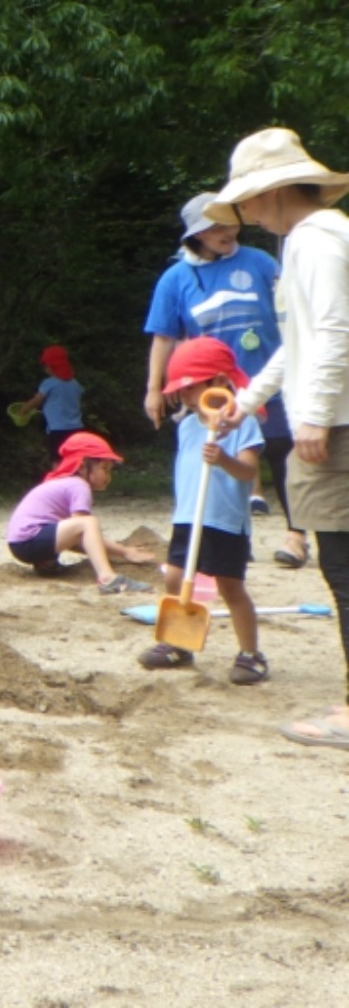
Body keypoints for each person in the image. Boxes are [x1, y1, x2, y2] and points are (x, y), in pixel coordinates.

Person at [201, 132, 349, 740]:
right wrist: (248, 401)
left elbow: (337, 331)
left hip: (337, 425)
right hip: (331, 414)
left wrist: (312, 415)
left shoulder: (314, 243)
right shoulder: (317, 239)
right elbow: (301, 343)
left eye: (250, 199)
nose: (246, 213)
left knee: (342, 568)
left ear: (277, 189)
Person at [145, 193, 304, 568]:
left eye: (229, 221)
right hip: (210, 388)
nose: (225, 231)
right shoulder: (176, 278)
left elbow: (289, 312)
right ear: (196, 233)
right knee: (218, 460)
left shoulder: (260, 262)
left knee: (283, 452)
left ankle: (296, 536)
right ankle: (232, 536)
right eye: (214, 225)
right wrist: (154, 388)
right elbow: (163, 335)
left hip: (267, 379)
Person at [139, 338, 267, 683]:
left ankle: (251, 654)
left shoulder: (243, 422)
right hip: (188, 517)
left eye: (189, 387)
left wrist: (223, 458)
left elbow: (248, 472)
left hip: (224, 520)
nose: (181, 394)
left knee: (230, 587)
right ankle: (179, 643)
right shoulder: (186, 426)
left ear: (219, 382)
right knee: (175, 577)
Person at [3, 432, 153, 592]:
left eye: (110, 470)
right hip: (29, 541)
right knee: (88, 523)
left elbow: (76, 538)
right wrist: (124, 552)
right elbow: (84, 531)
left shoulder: (65, 483)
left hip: (20, 544)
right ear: (81, 466)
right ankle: (108, 578)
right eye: (104, 468)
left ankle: (46, 564)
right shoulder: (79, 486)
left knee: (83, 526)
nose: (108, 476)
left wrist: (120, 552)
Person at [19, 346, 85, 457]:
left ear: (50, 366)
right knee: (74, 460)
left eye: (45, 365)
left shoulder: (49, 383)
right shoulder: (75, 383)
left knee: (57, 461)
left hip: (58, 430)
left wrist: (24, 409)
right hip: (77, 429)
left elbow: (37, 400)